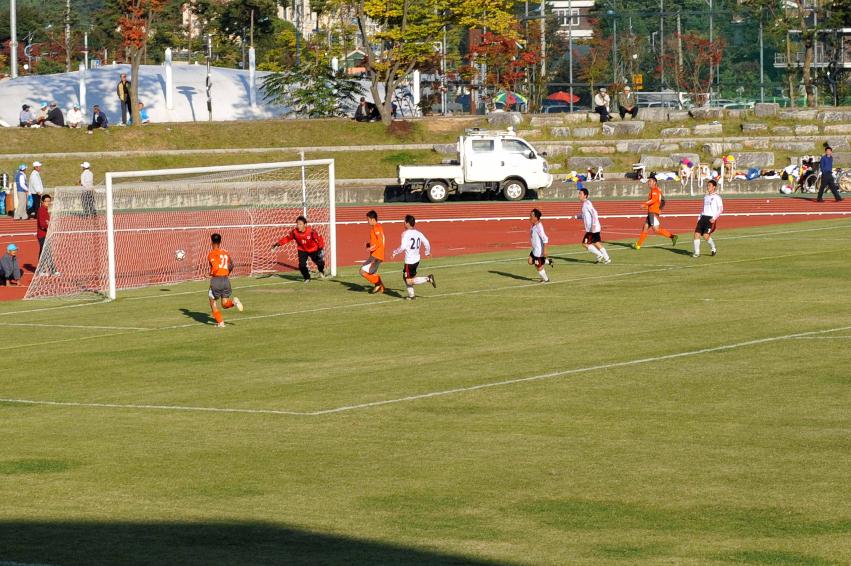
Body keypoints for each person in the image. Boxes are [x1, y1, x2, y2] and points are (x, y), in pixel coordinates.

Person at [391, 214, 436, 300]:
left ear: (407, 223)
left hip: (409, 261)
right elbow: (426, 242)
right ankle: (411, 296)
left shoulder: (405, 233)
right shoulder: (418, 233)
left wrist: (394, 252)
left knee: (409, 280)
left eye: (404, 221)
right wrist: (427, 252)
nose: (403, 223)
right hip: (417, 260)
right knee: (407, 277)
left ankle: (428, 278)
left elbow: (403, 247)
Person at [272, 215, 326, 282]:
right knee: (301, 265)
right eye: (297, 224)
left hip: (313, 249)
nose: (298, 226)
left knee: (320, 263)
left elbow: (319, 239)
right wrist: (278, 244)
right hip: (302, 250)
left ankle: (321, 271)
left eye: (300, 224)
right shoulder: (294, 232)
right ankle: (307, 278)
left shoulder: (311, 232)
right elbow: (287, 238)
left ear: (305, 224)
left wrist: (320, 248)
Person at [632, 175, 678, 250]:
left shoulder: (655, 191)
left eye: (650, 181)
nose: (648, 183)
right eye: (648, 181)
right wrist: (648, 206)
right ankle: (638, 245)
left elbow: (654, 200)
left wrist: (645, 204)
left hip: (653, 213)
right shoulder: (655, 191)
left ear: (654, 182)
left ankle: (672, 236)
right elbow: (660, 201)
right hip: (651, 212)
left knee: (656, 229)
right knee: (645, 228)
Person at [207, 233, 243, 328]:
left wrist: (209, 274)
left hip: (216, 280)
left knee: (212, 302)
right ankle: (234, 302)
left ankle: (221, 323)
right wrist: (226, 273)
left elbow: (215, 267)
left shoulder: (211, 254)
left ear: (211, 242)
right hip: (226, 280)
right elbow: (231, 265)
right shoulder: (225, 252)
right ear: (220, 241)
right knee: (224, 304)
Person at [576, 188, 611, 264]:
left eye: (580, 194)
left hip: (592, 229)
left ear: (585, 195)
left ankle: (599, 255)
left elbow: (594, 213)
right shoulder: (585, 204)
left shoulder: (587, 204)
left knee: (585, 243)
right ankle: (607, 258)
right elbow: (585, 215)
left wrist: (594, 225)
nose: (579, 195)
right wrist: (577, 217)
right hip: (593, 228)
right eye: (579, 193)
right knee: (596, 243)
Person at [692, 179, 723, 258]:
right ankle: (697, 253)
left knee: (706, 236)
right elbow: (704, 208)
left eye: (709, 185)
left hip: (710, 219)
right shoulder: (706, 197)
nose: (708, 187)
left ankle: (713, 248)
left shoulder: (717, 197)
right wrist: (699, 217)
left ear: (714, 187)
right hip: (703, 218)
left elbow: (721, 209)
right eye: (707, 185)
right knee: (696, 234)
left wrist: (714, 218)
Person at [360, 209, 386, 293]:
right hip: (377, 254)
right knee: (372, 273)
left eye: (368, 219)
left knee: (362, 271)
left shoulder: (376, 228)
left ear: (372, 219)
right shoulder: (378, 227)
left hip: (376, 255)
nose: (367, 221)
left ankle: (378, 284)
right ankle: (381, 288)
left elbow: (380, 241)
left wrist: (372, 248)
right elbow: (376, 241)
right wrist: (369, 245)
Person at [528, 208, 551, 283]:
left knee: (538, 266)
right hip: (534, 249)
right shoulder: (533, 225)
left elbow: (545, 239)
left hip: (539, 251)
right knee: (530, 261)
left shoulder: (539, 227)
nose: (529, 217)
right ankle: (546, 261)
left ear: (536, 217)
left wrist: (545, 251)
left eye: (531, 216)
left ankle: (546, 279)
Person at [36, 194, 53, 259]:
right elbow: (42, 225)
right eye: (46, 201)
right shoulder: (41, 210)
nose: (47, 203)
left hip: (45, 234)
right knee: (45, 252)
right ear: (42, 201)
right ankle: (50, 268)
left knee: (47, 252)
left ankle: (51, 268)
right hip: (42, 235)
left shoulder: (45, 210)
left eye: (49, 201)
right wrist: (48, 224)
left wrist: (48, 223)